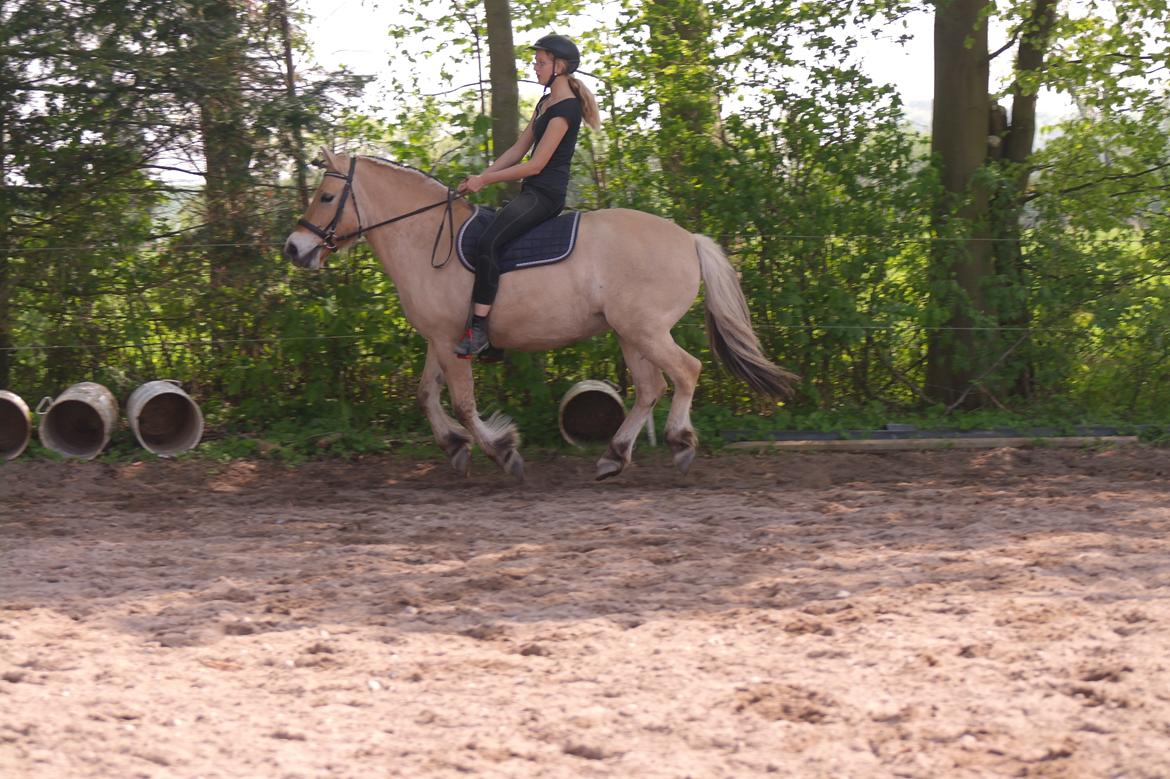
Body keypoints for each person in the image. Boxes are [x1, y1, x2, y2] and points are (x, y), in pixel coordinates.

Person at [454, 33, 602, 357]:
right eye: (536, 62)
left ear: (559, 67)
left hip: (545, 196)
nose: (535, 68)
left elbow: (535, 165)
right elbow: (519, 148)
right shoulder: (545, 103)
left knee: (488, 242)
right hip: (532, 191)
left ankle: (479, 331)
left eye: (541, 62)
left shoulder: (565, 110)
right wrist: (482, 176)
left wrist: (486, 180)